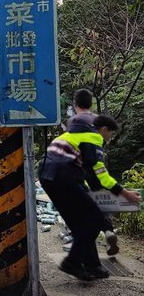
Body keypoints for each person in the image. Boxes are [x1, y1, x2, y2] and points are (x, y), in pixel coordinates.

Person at [39, 114, 142, 281]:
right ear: (104, 129)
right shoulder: (93, 137)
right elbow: (99, 174)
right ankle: (72, 262)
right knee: (94, 220)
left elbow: (88, 175)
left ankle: (92, 265)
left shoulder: (72, 136)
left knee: (81, 224)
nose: (109, 138)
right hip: (65, 177)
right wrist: (125, 193)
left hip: (48, 177)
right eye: (110, 134)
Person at [66, 89, 118, 254]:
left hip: (78, 168)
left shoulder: (72, 122)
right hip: (97, 165)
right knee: (99, 198)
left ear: (75, 105)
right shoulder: (97, 120)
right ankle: (108, 230)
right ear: (91, 103)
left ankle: (81, 242)